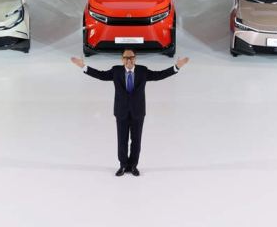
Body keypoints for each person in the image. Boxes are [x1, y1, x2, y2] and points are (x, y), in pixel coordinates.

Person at [70, 49, 189, 177]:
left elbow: (159, 75)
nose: (129, 60)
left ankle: (133, 166)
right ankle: (123, 165)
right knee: (122, 140)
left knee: (136, 141)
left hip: (138, 112)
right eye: (126, 58)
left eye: (131, 57)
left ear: (135, 59)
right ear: (122, 60)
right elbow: (101, 75)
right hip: (121, 112)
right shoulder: (116, 71)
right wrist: (83, 66)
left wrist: (176, 67)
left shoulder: (143, 71)